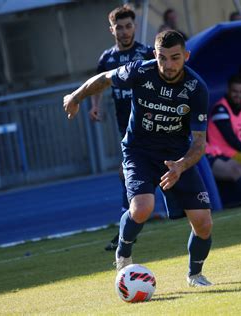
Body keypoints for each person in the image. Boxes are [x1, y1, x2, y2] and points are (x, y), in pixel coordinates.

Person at [64, 30, 213, 287]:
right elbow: (104, 78)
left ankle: (195, 274)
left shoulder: (196, 88)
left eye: (175, 58)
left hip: (176, 157)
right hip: (139, 151)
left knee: (203, 223)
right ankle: (123, 252)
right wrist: (75, 97)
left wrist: (181, 165)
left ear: (186, 56)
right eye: (162, 58)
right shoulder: (140, 71)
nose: (168, 65)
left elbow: (199, 143)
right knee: (142, 208)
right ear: (154, 54)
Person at [90, 5, 155, 251]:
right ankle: (131, 225)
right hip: (125, 128)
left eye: (128, 26)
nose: (125, 31)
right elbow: (97, 83)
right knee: (128, 175)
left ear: (135, 27)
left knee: (128, 174)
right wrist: (94, 105)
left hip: (150, 124)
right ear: (112, 29)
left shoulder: (147, 53)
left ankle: (127, 229)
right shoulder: (107, 58)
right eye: (119, 27)